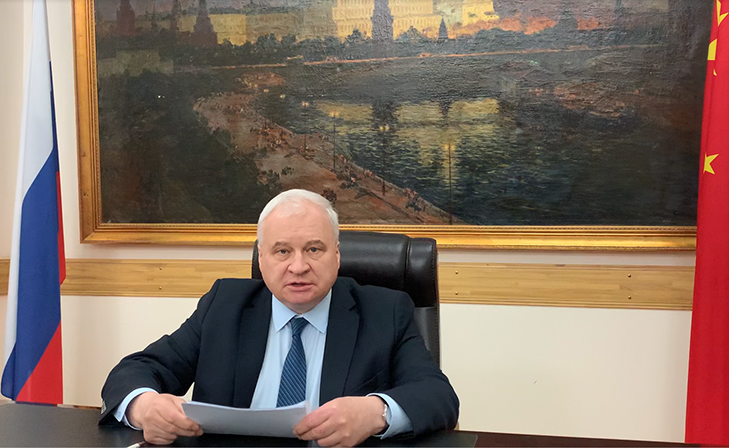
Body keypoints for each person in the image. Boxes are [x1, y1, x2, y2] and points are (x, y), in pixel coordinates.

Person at [99, 189, 459, 446]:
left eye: (313, 249)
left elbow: (438, 396)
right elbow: (135, 370)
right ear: (262, 257)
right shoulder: (225, 305)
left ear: (336, 255)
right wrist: (145, 406)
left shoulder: (384, 311)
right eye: (282, 251)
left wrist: (374, 413)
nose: (298, 266)